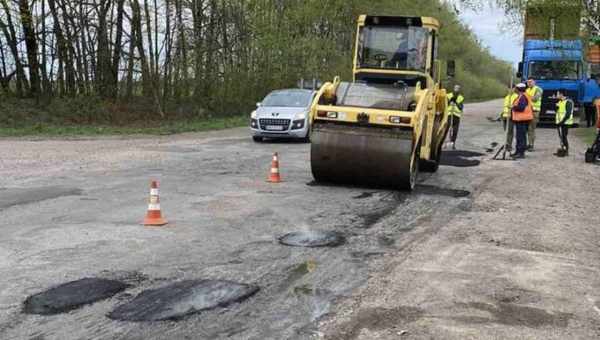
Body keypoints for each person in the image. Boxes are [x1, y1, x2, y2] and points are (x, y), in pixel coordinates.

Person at [511, 83, 534, 159]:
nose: (514, 89)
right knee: (519, 136)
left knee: (521, 137)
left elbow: (521, 107)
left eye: (516, 88)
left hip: (522, 119)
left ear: (519, 89)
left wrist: (513, 107)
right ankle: (518, 151)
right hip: (520, 119)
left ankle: (521, 153)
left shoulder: (523, 97)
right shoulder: (521, 96)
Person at [555, 92, 575, 156]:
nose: (556, 95)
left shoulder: (568, 102)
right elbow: (558, 111)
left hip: (565, 122)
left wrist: (561, 122)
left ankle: (566, 151)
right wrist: (556, 108)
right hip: (560, 122)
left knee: (564, 136)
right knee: (561, 136)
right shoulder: (559, 102)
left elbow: (568, 114)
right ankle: (562, 149)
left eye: (557, 94)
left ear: (561, 94)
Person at [526, 78, 543, 151]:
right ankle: (529, 143)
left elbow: (535, 99)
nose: (529, 83)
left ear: (534, 82)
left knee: (531, 129)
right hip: (527, 111)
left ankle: (531, 145)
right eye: (528, 82)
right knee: (528, 129)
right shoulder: (527, 90)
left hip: (535, 111)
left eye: (530, 82)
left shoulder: (538, 89)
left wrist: (526, 97)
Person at [446, 85, 465, 150]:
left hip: (456, 115)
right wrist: (449, 101)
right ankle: (445, 143)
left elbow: (461, 107)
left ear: (459, 89)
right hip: (448, 114)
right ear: (453, 88)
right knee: (446, 129)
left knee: (455, 130)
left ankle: (453, 143)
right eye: (456, 88)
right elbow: (444, 104)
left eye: (458, 88)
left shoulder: (461, 97)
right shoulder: (448, 95)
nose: (457, 89)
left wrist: (456, 102)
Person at [502, 86, 518, 151]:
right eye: (509, 88)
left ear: (514, 89)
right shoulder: (507, 97)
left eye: (512, 88)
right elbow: (505, 107)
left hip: (511, 116)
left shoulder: (516, 96)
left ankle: (509, 145)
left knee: (509, 132)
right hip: (505, 116)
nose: (510, 90)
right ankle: (507, 144)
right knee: (506, 131)